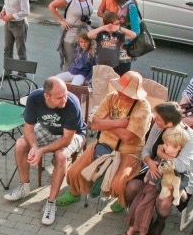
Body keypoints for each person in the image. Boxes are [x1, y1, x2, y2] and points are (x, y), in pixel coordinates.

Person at [56, 70, 151, 212]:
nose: (119, 93)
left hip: (128, 152)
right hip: (102, 146)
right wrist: (119, 123)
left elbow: (127, 137)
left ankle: (122, 200)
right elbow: (94, 124)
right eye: (119, 88)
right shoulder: (111, 97)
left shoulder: (143, 108)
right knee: (74, 171)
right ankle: (75, 193)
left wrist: (106, 122)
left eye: (124, 92)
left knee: (120, 183)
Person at [4, 77, 86, 226]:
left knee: (61, 156)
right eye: (60, 97)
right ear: (47, 96)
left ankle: (51, 202)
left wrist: (42, 150)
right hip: (48, 127)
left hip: (72, 133)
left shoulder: (72, 104)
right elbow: (28, 127)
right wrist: (34, 147)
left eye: (66, 94)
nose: (65, 100)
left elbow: (66, 139)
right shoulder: (35, 98)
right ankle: (24, 186)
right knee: (21, 144)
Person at [125, 101, 193, 235]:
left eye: (157, 119)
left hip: (176, 176)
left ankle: (160, 222)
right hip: (154, 166)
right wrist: (150, 162)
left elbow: (182, 166)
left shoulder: (189, 136)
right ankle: (140, 216)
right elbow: (146, 150)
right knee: (132, 187)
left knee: (162, 201)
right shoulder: (157, 127)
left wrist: (161, 154)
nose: (154, 120)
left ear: (169, 124)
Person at [116, 125, 190, 235]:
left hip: (155, 190)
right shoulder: (164, 153)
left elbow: (181, 177)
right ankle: (132, 232)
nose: (163, 146)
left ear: (178, 147)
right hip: (147, 187)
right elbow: (153, 163)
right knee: (136, 208)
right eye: (164, 143)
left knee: (142, 210)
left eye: (167, 144)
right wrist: (147, 174)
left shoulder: (175, 162)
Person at [48, 0, 94, 70]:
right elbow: (52, 6)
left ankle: (80, 82)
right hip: (71, 33)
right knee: (70, 62)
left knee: (85, 61)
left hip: (85, 33)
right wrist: (61, 21)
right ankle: (66, 83)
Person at [0, 0, 30, 67]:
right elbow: (6, 4)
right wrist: (3, 11)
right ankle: (7, 73)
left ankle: (22, 73)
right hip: (8, 24)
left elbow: (26, 11)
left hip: (19, 25)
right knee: (7, 49)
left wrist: (11, 16)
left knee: (20, 49)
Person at [112, 0, 142, 75]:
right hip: (117, 47)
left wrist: (124, 41)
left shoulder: (130, 6)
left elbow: (136, 30)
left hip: (124, 50)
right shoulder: (123, 5)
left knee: (122, 77)